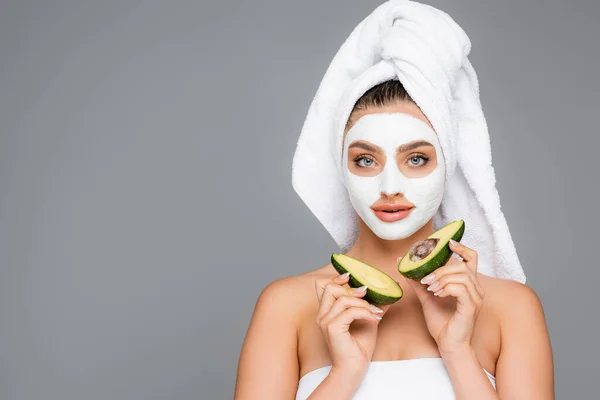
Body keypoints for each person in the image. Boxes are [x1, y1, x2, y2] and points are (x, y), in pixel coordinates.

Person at [234, 2, 554, 399]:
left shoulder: (509, 308)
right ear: (342, 169)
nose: (390, 186)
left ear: (447, 164)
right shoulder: (287, 306)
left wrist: (456, 351)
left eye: (416, 159)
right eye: (366, 160)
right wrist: (345, 373)